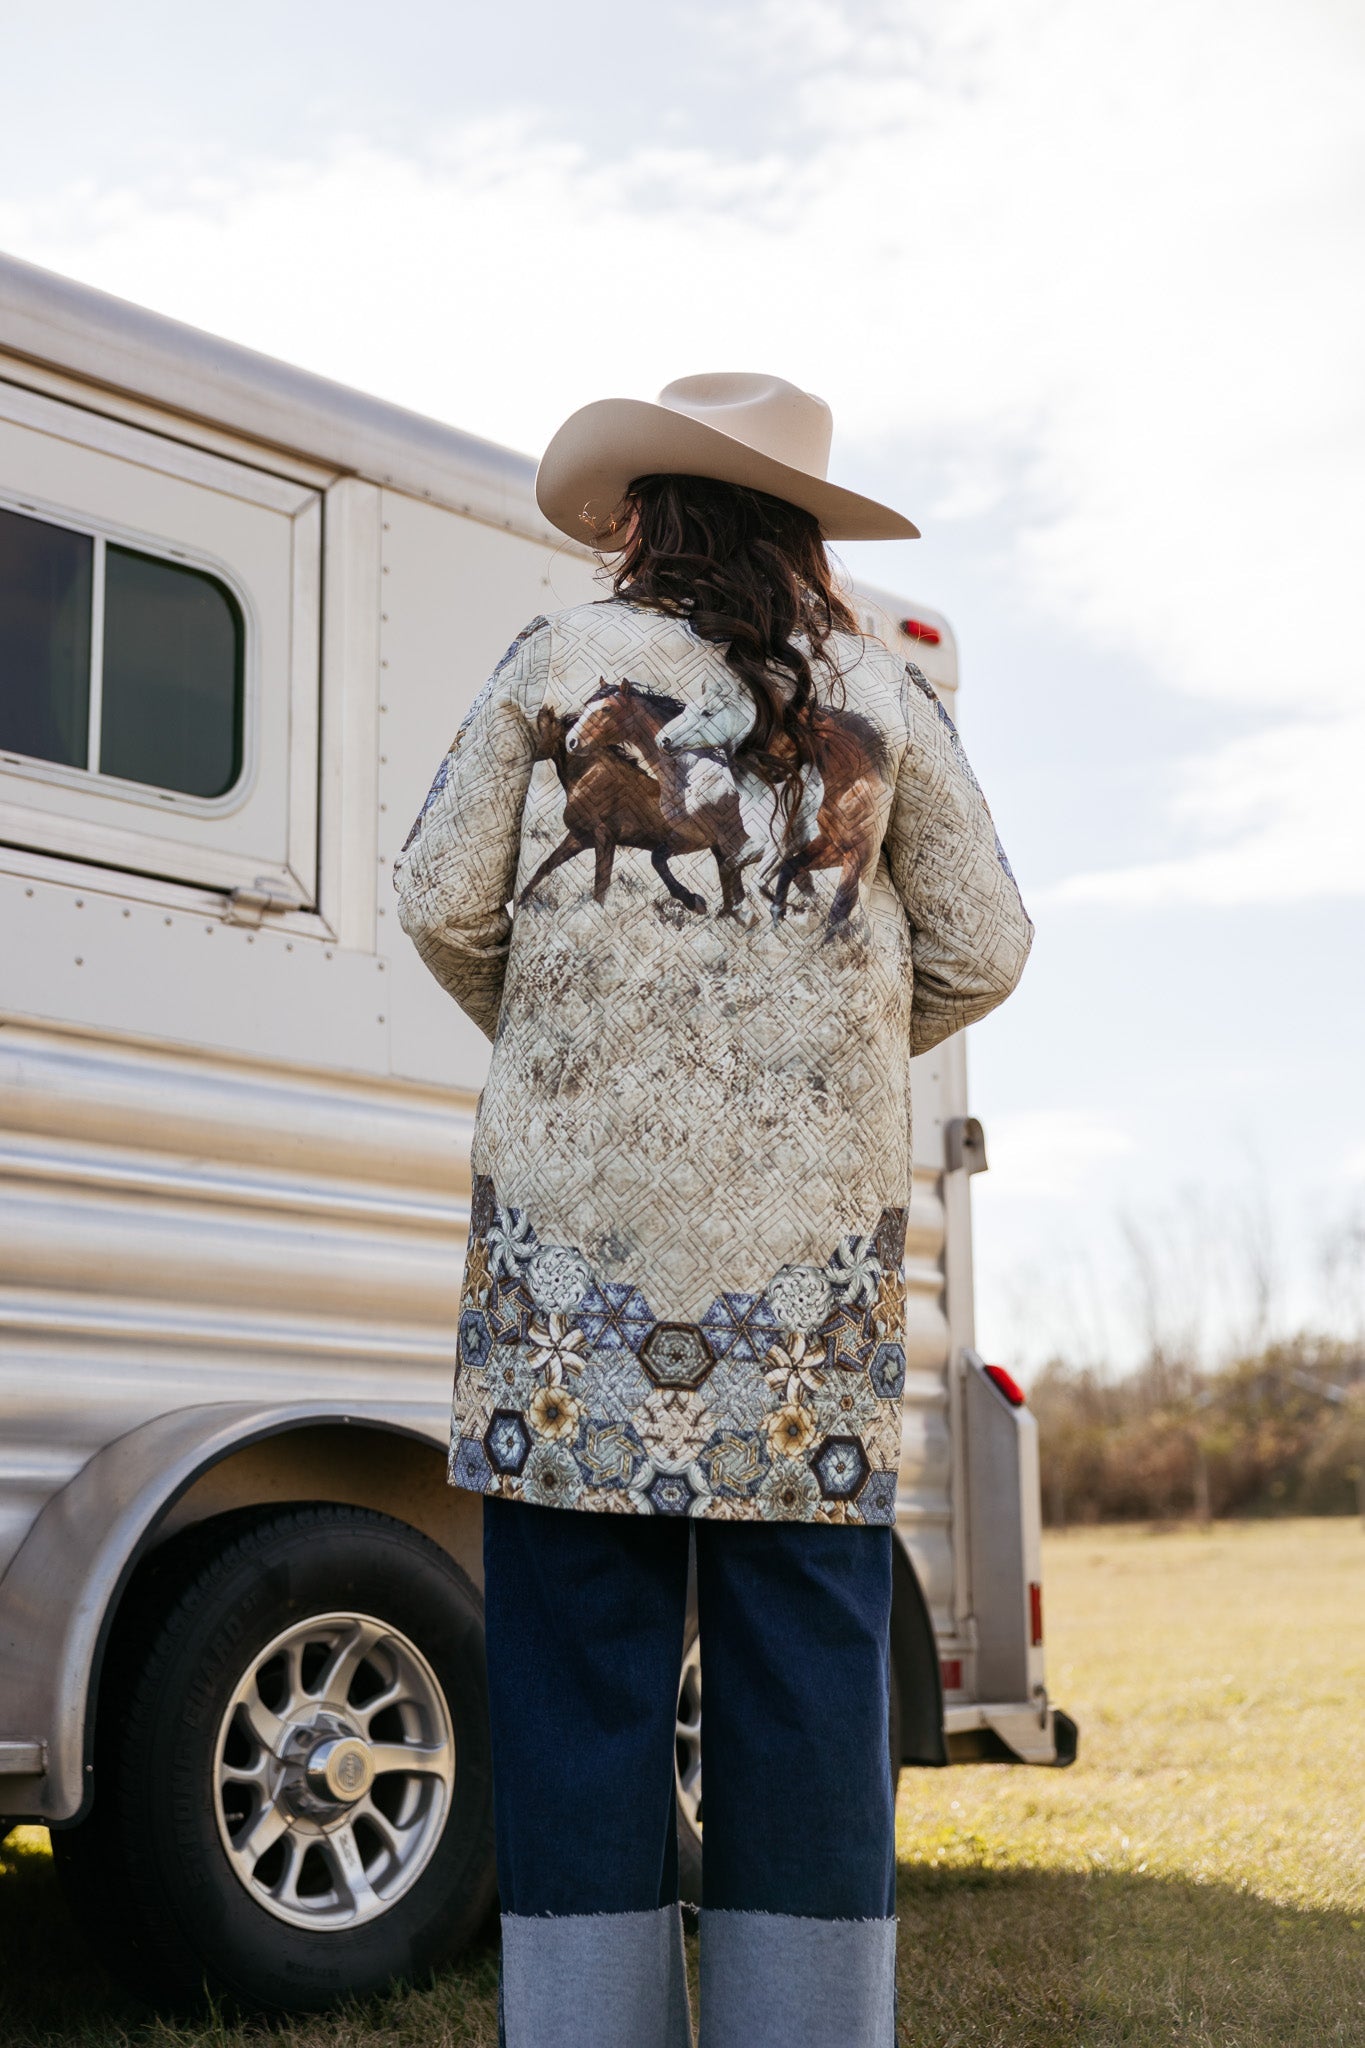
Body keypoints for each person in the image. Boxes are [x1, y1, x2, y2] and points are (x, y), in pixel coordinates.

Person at [394, 372, 1033, 2048]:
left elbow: (437, 901)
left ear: (648, 511)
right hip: (800, 1306)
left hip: (565, 1300)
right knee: (807, 1697)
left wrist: (577, 1037)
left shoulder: (550, 668)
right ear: (798, 528)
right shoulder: (880, 699)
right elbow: (987, 947)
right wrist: (806, 1038)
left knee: (577, 1696)